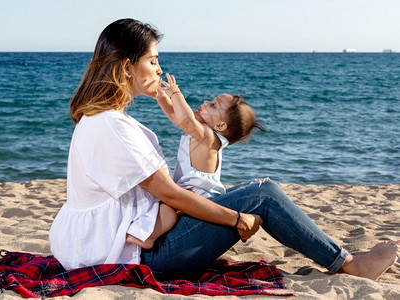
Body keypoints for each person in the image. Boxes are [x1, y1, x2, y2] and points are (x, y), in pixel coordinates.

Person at [49, 18, 399, 282]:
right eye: (153, 60)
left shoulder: (101, 118)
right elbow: (172, 194)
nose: (159, 68)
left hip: (113, 244)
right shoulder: (112, 126)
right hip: (135, 255)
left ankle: (346, 257)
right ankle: (352, 265)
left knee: (250, 193)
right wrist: (235, 218)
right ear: (128, 66)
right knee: (264, 194)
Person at [126, 73, 266, 249]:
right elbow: (175, 116)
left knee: (168, 210)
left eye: (213, 105)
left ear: (221, 126)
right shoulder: (202, 133)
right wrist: (160, 96)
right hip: (193, 192)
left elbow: (186, 119)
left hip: (201, 196)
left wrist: (175, 93)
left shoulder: (208, 136)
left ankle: (148, 237)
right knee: (164, 207)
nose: (206, 102)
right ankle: (145, 233)